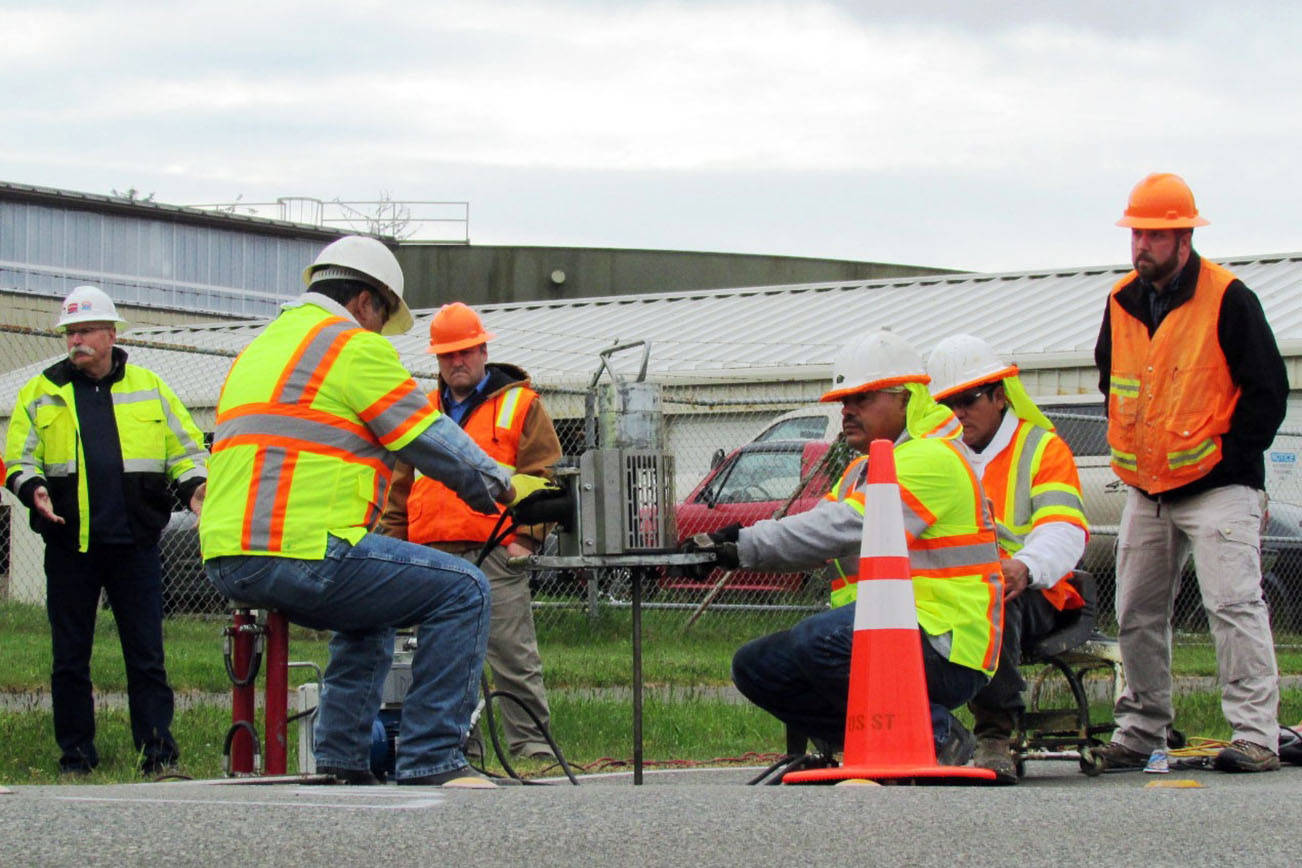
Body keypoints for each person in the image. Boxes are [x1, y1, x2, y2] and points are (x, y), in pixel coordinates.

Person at [200, 236, 543, 788]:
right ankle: (433, 758)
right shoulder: (349, 346)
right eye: (383, 317)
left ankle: (341, 761)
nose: (382, 332)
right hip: (303, 551)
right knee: (466, 591)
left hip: (227, 555)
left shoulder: (262, 348)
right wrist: (505, 487)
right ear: (365, 302)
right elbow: (427, 436)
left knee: (371, 616)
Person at [692, 331, 1004, 763]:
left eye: (862, 398)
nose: (847, 411)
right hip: (889, 631)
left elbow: (844, 526)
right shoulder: (863, 468)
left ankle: (938, 736)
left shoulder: (932, 459)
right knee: (756, 666)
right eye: (843, 402)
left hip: (946, 645)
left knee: (815, 642)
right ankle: (868, 740)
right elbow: (813, 537)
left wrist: (742, 545)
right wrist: (727, 547)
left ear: (904, 398)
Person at [1093, 173, 1288, 773]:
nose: (1142, 244)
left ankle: (1256, 734)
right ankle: (1142, 727)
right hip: (1147, 488)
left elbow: (1268, 392)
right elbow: (1112, 380)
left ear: (1184, 238)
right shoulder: (1122, 302)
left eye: (1154, 233)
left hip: (1219, 487)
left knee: (1233, 604)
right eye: (1137, 233)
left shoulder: (1229, 297)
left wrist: (1230, 463)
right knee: (1135, 609)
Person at [4, 285, 207, 775]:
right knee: (69, 659)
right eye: (70, 332)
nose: (76, 341)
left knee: (147, 656)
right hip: (70, 544)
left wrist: (197, 486)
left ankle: (158, 755)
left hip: (135, 544)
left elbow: (187, 447)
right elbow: (17, 457)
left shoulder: (149, 386)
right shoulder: (42, 391)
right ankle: (76, 756)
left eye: (85, 331)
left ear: (111, 333)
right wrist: (31, 488)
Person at [379, 302, 562, 761]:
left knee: (512, 658)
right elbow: (398, 491)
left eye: (464, 351)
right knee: (442, 661)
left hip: (495, 553)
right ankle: (460, 753)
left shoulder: (521, 404)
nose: (455, 362)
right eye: (446, 355)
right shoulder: (419, 411)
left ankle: (533, 750)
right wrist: (393, 546)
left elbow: (546, 479)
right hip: (431, 556)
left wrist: (527, 539)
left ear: (482, 350)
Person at [926, 334, 1088, 782]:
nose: (958, 413)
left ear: (1000, 397)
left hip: (1034, 591)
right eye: (949, 403)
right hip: (956, 586)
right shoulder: (941, 452)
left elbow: (1064, 527)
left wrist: (1026, 566)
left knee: (996, 597)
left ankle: (996, 732)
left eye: (969, 399)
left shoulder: (1042, 449)